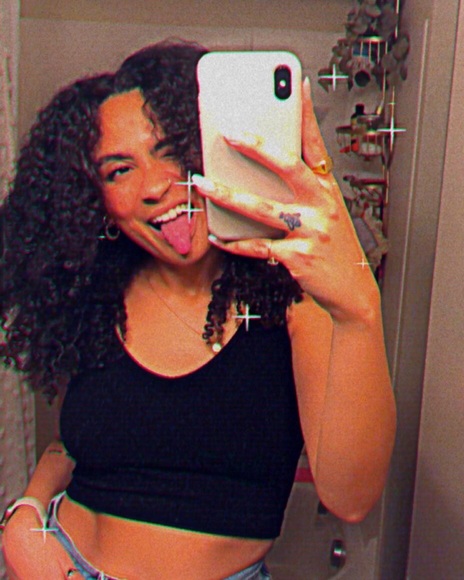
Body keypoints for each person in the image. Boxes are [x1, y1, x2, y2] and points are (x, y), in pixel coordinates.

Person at [0, 40, 396, 579]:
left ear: (211, 146)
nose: (155, 186)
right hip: (62, 562)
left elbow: (350, 498)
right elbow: (74, 442)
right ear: (98, 203)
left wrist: (358, 311)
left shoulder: (295, 299)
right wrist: (24, 517)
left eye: (170, 149)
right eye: (119, 171)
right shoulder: (99, 293)